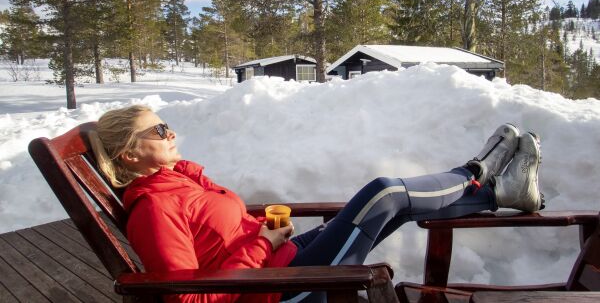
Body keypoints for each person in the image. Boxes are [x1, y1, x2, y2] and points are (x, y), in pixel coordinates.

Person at [88, 105, 544, 303]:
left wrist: (263, 231)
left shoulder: (178, 183)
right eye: (157, 131)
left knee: (392, 205)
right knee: (384, 194)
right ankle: (477, 172)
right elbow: (191, 299)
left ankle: (501, 192)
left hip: (280, 263)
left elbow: (217, 238)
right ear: (130, 155)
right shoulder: (155, 209)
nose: (170, 133)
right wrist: (262, 246)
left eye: (166, 124)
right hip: (281, 290)